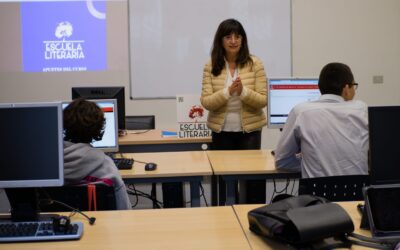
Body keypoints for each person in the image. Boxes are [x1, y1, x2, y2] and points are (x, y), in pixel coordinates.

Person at [200, 18, 268, 203]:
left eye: (238, 36)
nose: (233, 40)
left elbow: (263, 99)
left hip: (250, 132)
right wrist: (228, 92)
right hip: (222, 132)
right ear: (220, 40)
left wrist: (243, 92)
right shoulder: (211, 65)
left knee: (251, 182)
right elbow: (206, 102)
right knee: (224, 183)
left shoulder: (255, 63)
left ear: (243, 39)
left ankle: (253, 219)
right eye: (228, 36)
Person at [274, 62, 368, 178]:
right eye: (354, 85)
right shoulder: (361, 110)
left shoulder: (301, 111)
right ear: (346, 88)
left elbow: (282, 161)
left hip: (315, 195)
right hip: (356, 194)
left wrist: (311, 163)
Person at [63, 98, 131, 210]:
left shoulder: (49, 166)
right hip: (99, 225)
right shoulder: (107, 166)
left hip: (59, 226)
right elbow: (125, 210)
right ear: (99, 129)